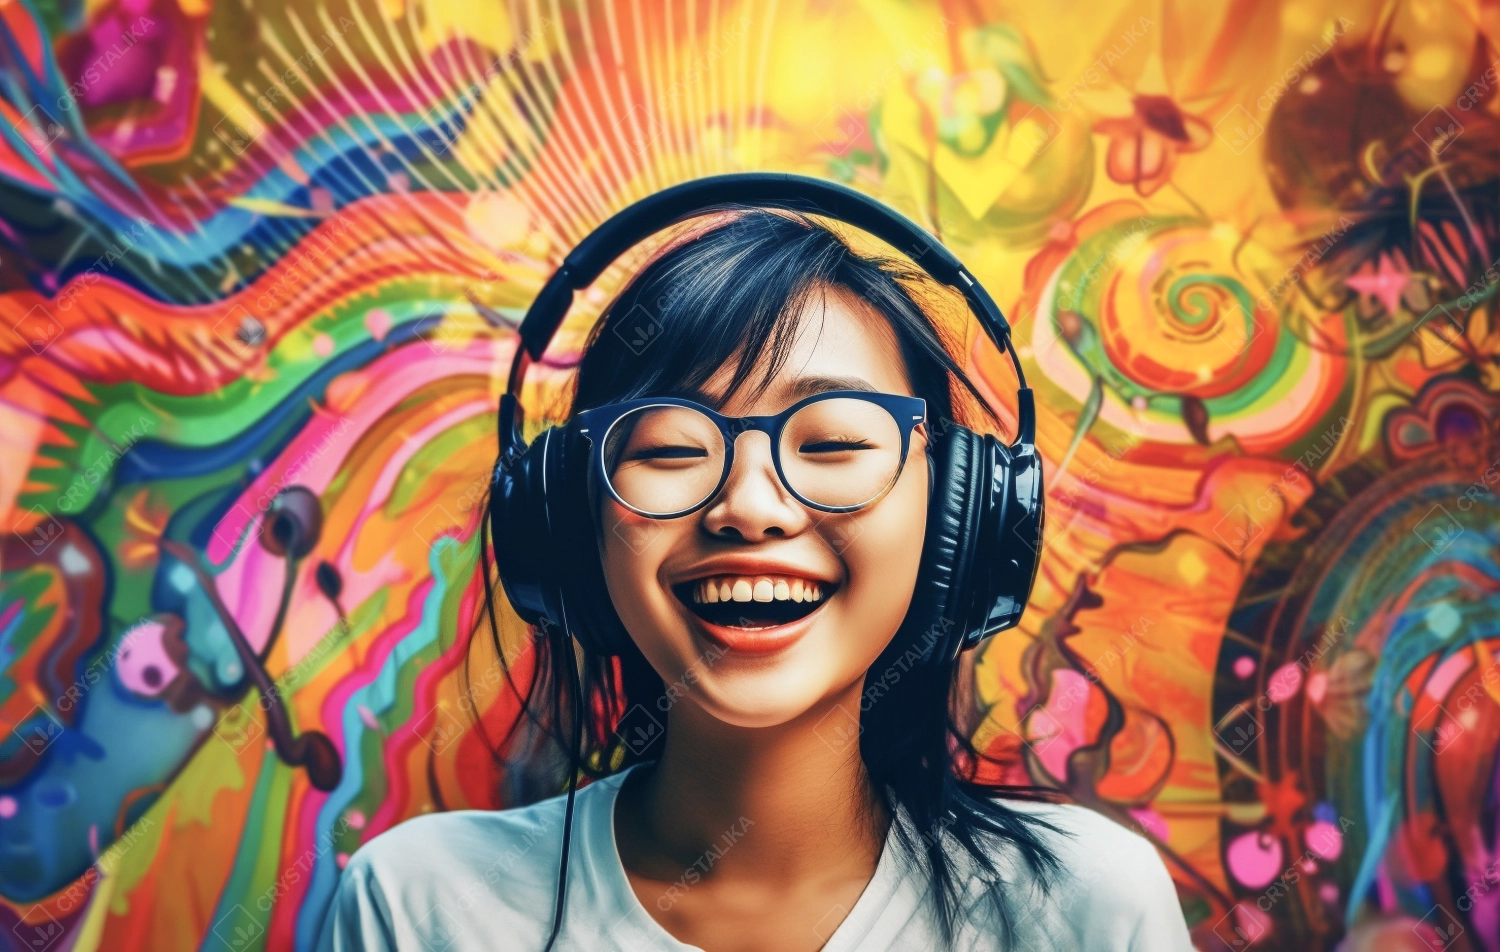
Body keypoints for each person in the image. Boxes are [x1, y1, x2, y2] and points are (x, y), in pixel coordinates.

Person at [313, 204, 1197, 951]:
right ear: (568, 526)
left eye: (837, 441)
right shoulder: (421, 907)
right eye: (668, 447)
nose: (750, 508)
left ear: (962, 515)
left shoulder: (1089, 910)